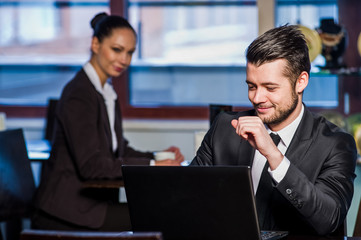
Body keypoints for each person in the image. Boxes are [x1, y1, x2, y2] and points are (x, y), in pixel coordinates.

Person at [190, 25, 357, 236]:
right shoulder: (224, 128)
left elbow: (328, 219)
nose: (257, 98)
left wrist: (274, 155)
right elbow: (189, 198)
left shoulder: (335, 144)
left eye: (270, 88)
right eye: (252, 86)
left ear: (301, 82)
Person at [32, 12, 184, 231]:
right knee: (161, 216)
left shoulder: (103, 92)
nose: (124, 60)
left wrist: (158, 156)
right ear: (95, 44)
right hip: (68, 210)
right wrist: (153, 166)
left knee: (161, 211)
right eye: (116, 49)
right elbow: (91, 166)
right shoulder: (80, 94)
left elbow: (118, 149)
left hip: (92, 205)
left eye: (130, 52)